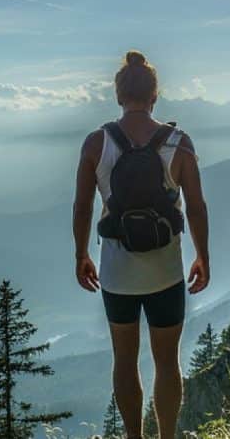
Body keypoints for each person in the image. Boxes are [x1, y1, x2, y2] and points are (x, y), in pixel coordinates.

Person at [72, 50, 210, 439]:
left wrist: (81, 254)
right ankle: (167, 436)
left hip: (117, 273)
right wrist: (203, 255)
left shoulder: (96, 143)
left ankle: (134, 437)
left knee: (125, 361)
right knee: (167, 363)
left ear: (118, 95)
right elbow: (196, 207)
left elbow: (83, 205)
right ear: (154, 96)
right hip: (165, 270)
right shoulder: (179, 143)